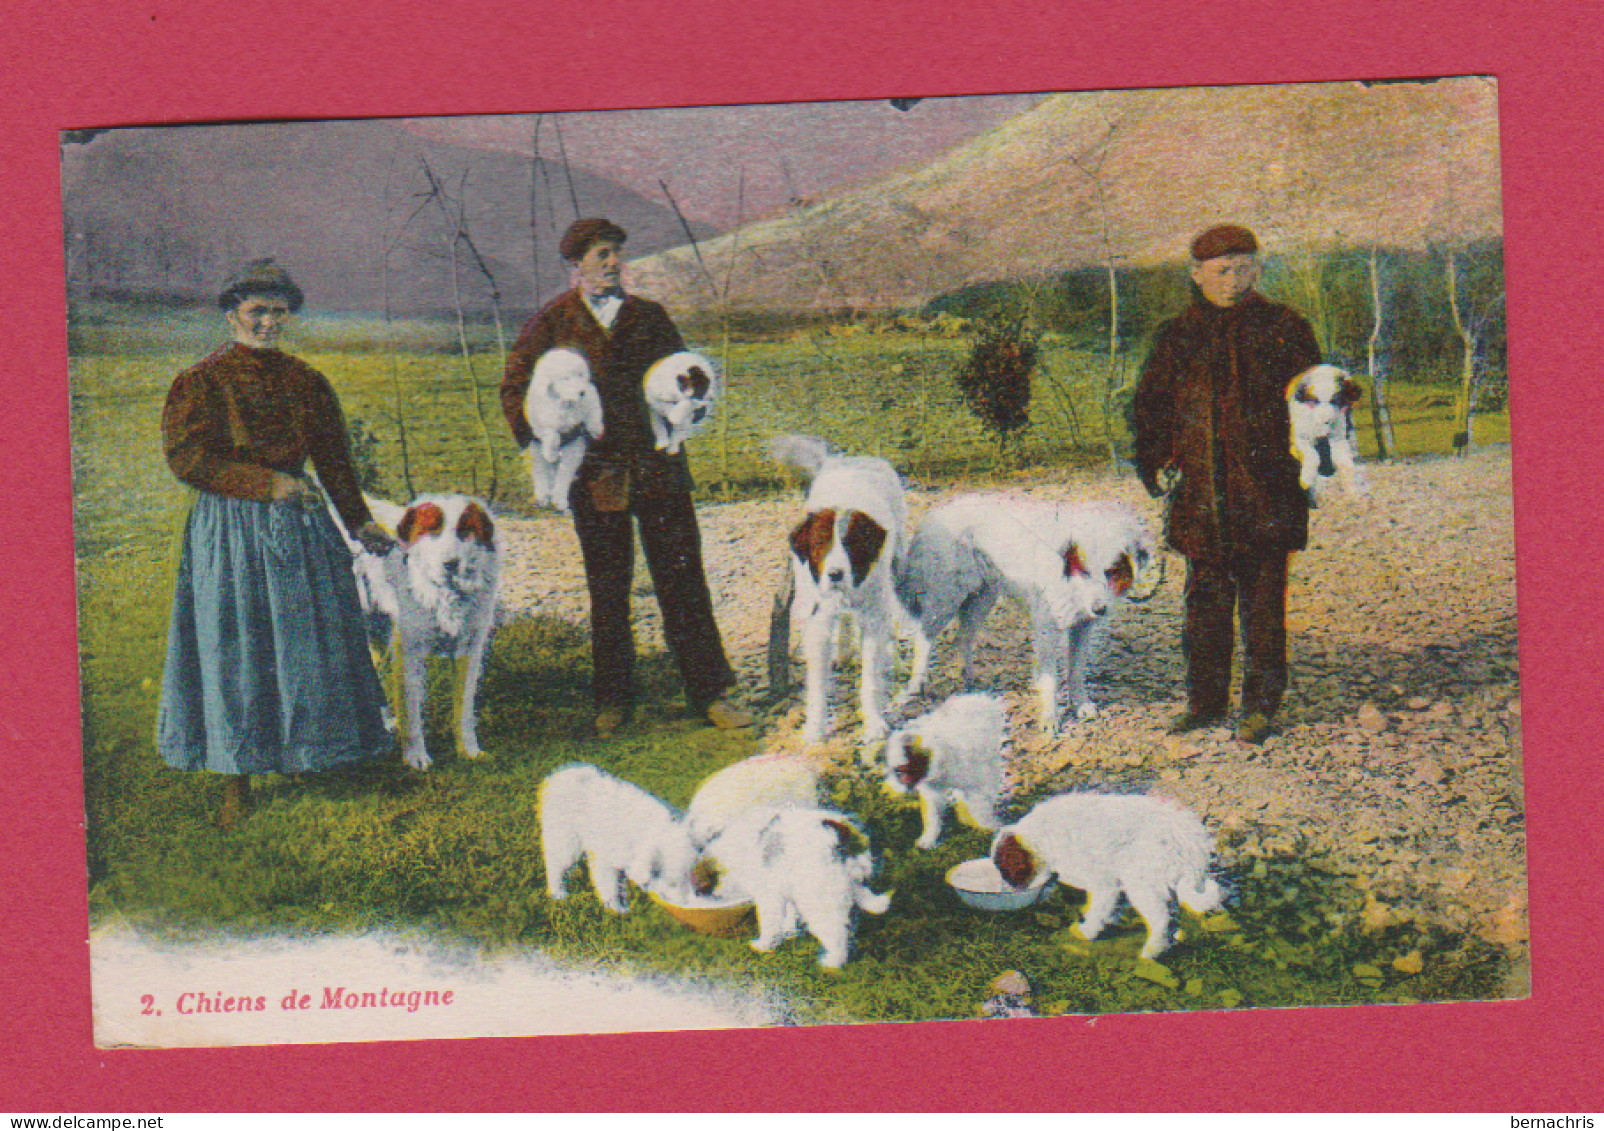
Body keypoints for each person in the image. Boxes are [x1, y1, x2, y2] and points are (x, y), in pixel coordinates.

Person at [158, 259, 396, 827]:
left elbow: (335, 460)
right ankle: (236, 775)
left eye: (277, 311)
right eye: (256, 310)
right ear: (232, 312)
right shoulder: (201, 381)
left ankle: (309, 753)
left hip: (297, 528)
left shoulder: (306, 381)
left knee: (304, 638)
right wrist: (266, 483)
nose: (267, 322)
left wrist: (360, 521)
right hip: (232, 530)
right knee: (235, 646)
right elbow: (187, 458)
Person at [500, 219, 750, 735]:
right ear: (576, 265)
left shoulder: (650, 317)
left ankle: (710, 693)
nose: (613, 264)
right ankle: (613, 698)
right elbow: (515, 385)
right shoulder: (553, 321)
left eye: (617, 254)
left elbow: (687, 377)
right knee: (608, 589)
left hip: (660, 470)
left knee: (683, 582)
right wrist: (548, 439)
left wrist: (688, 414)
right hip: (595, 477)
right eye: (602, 255)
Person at [1131, 225, 1321, 745]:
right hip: (1200, 498)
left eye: (1243, 268)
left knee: (1264, 607)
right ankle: (1205, 702)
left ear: (1258, 268)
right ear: (1196, 275)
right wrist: (1155, 460)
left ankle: (1260, 707)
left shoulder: (1286, 328)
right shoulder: (1175, 337)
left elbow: (1318, 403)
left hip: (1269, 494)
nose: (1232, 281)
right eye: (1220, 271)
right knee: (1205, 607)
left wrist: (1314, 462)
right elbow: (1150, 407)